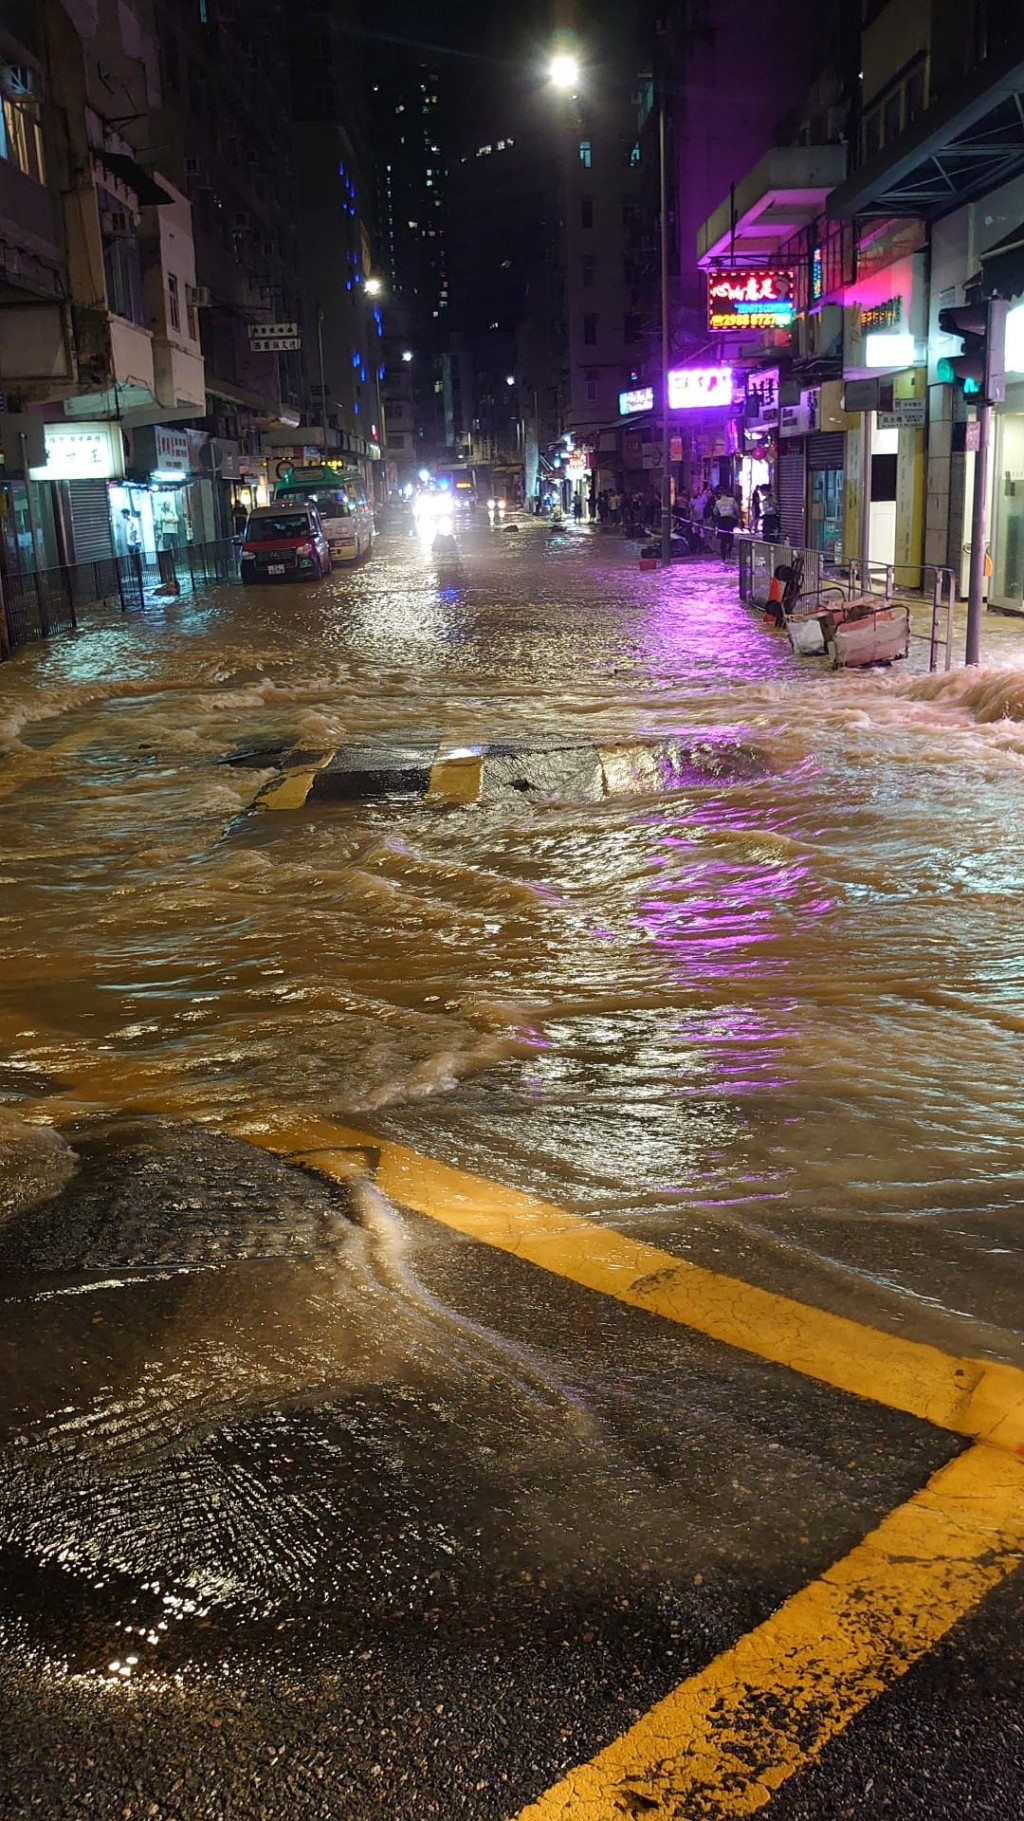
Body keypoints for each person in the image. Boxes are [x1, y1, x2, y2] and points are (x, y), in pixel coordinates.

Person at [713, 487, 739, 561]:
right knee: (730, 537)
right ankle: (729, 552)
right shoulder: (731, 500)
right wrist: (738, 518)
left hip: (722, 521)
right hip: (730, 520)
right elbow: (736, 509)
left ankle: (723, 556)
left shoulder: (718, 502)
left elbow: (715, 512)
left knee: (722, 538)